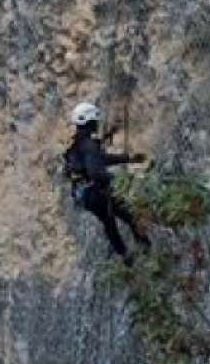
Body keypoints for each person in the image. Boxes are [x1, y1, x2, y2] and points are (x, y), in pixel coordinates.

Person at [61, 101, 149, 260]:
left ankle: (125, 256)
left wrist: (128, 158)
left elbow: (99, 159)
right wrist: (118, 180)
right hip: (94, 191)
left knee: (109, 220)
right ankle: (145, 250)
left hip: (83, 193)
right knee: (129, 215)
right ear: (91, 122)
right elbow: (96, 171)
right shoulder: (88, 145)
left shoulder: (79, 144)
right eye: (95, 122)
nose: (97, 125)